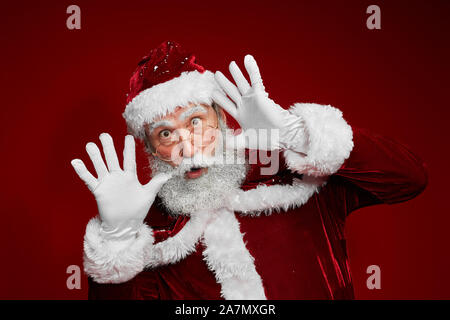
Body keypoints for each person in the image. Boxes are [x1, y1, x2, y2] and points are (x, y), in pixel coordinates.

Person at [71, 41, 428, 299]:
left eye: (195, 121)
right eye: (165, 133)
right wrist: (117, 238)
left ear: (223, 121)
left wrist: (297, 132)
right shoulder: (148, 229)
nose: (186, 144)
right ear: (151, 150)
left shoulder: (299, 171)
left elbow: (410, 180)